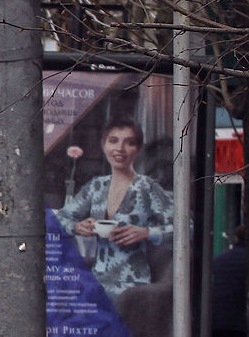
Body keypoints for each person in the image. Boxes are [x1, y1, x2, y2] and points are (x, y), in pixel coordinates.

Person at [55, 118, 176, 298]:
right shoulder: (96, 187)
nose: (120, 148)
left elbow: (186, 228)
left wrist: (147, 233)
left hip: (133, 286)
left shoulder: (146, 187)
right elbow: (60, 218)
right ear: (103, 145)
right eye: (113, 141)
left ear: (138, 149)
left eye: (130, 143)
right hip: (97, 282)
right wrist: (77, 227)